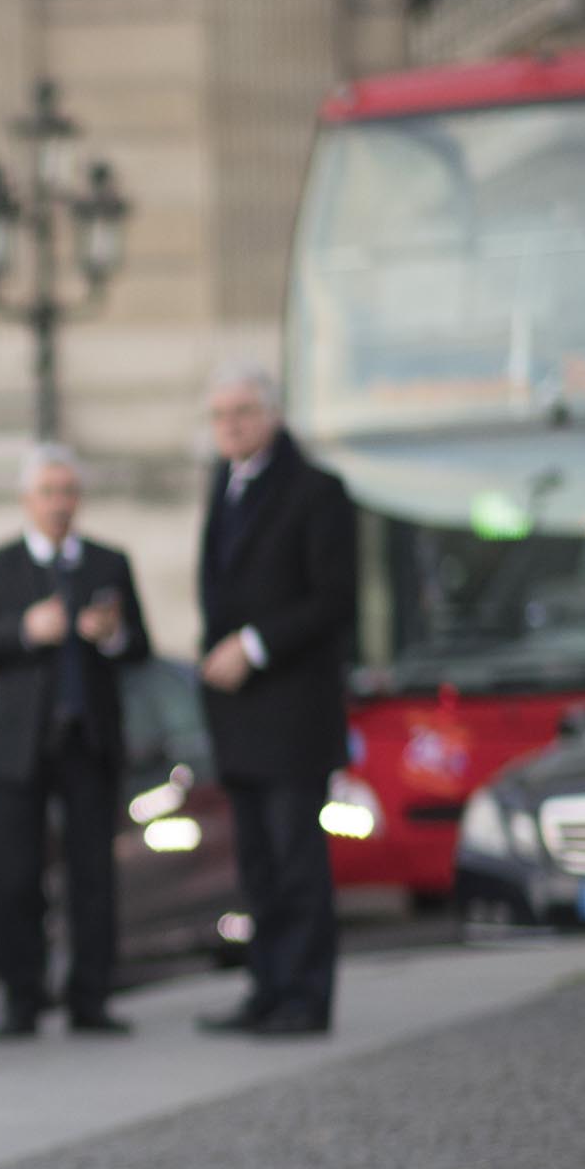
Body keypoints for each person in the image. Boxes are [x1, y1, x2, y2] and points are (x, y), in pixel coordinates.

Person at [0, 443, 150, 1037]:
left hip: (88, 742)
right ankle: (23, 999)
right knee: (16, 878)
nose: (59, 503)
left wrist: (113, 636)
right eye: (48, 492)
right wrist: (24, 629)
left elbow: (140, 647)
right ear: (27, 500)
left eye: (68, 492)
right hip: (19, 748)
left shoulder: (108, 563)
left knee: (94, 875)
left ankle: (90, 999)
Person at [192, 360, 356, 1038]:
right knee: (257, 865)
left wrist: (253, 646)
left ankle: (304, 997)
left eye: (243, 413)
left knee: (296, 861)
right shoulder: (222, 484)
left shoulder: (317, 490)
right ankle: (267, 989)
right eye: (221, 416)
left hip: (291, 710)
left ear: (273, 416)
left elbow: (331, 600)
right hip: (239, 717)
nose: (231, 426)